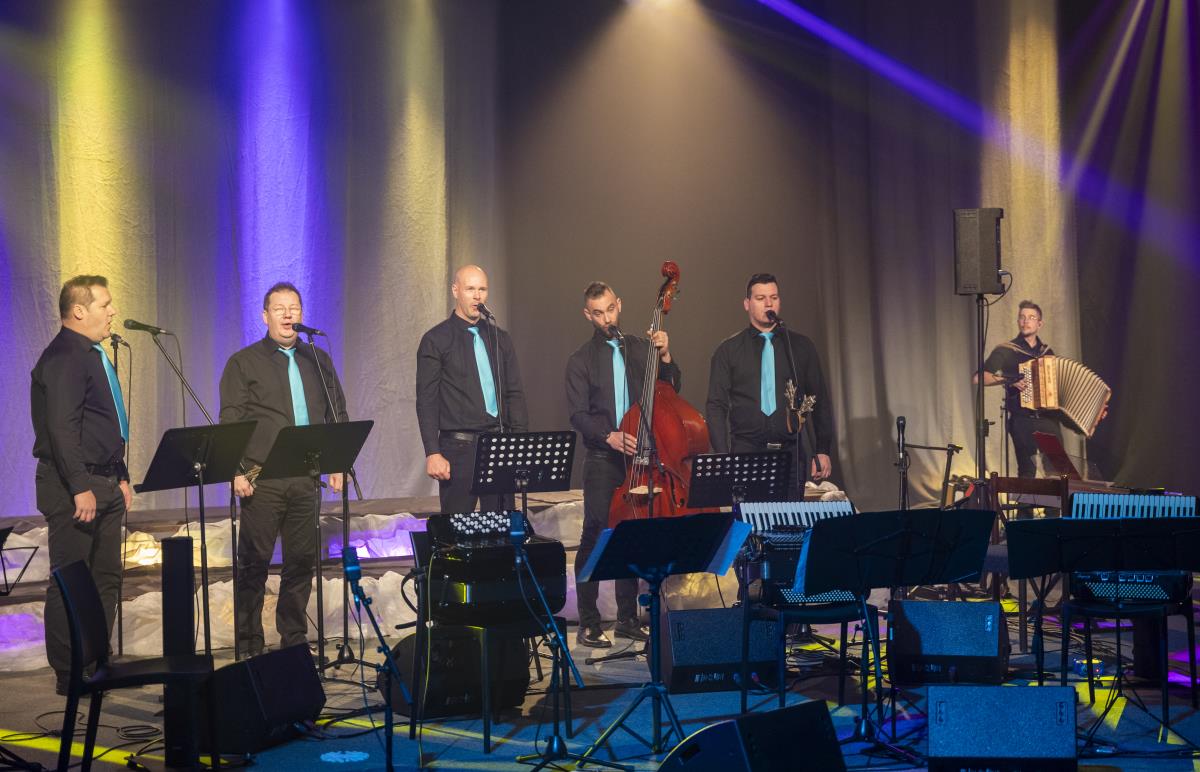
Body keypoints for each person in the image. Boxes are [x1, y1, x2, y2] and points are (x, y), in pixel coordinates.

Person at [219, 281, 348, 658]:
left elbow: (337, 412)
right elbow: (230, 420)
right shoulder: (244, 362)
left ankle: (293, 640)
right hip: (262, 478)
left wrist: (338, 462)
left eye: (294, 308)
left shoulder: (318, 360)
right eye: (279, 308)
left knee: (301, 562)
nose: (288, 314)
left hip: (306, 476)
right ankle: (249, 643)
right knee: (254, 563)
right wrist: (235, 470)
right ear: (265, 316)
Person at [31, 275, 131, 695]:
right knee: (70, 579)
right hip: (74, 483)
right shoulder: (64, 357)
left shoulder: (93, 355)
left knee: (106, 577)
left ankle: (96, 659)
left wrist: (122, 476)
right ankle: (70, 671)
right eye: (104, 304)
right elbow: (62, 429)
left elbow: (103, 426)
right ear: (78, 311)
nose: (112, 311)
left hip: (104, 479)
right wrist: (78, 486)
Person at [565, 282, 677, 648]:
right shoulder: (581, 359)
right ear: (588, 315)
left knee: (631, 533)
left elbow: (670, 390)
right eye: (598, 313)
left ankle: (628, 619)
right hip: (603, 457)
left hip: (640, 456)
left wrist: (665, 356)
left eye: (610, 309)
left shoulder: (641, 349)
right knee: (596, 533)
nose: (607, 319)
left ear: (620, 305)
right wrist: (608, 436)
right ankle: (589, 622)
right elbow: (578, 415)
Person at [706, 273, 833, 497]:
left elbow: (819, 399)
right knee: (751, 517)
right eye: (760, 298)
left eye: (773, 297)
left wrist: (822, 449)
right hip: (746, 453)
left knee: (791, 517)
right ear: (747, 304)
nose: (768, 303)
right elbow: (716, 405)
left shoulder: (800, 347)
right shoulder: (729, 350)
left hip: (790, 454)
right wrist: (723, 455)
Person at [416, 265, 528, 513]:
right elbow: (426, 400)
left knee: (502, 523)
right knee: (457, 525)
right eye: (470, 289)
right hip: (459, 448)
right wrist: (432, 452)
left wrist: (519, 445)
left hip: (498, 445)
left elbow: (514, 394)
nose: (477, 296)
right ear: (455, 291)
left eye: (482, 289)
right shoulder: (436, 340)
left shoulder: (499, 338)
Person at [977, 300, 1064, 478]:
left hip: (1048, 419)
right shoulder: (1006, 350)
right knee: (1027, 471)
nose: (1026, 321)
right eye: (1022, 317)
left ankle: (1053, 499)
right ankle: (1025, 498)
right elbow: (979, 377)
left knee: (1056, 472)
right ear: (1018, 321)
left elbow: (1059, 388)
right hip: (1022, 419)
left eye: (1031, 317)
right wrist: (1009, 380)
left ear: (1040, 323)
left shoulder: (1047, 352)